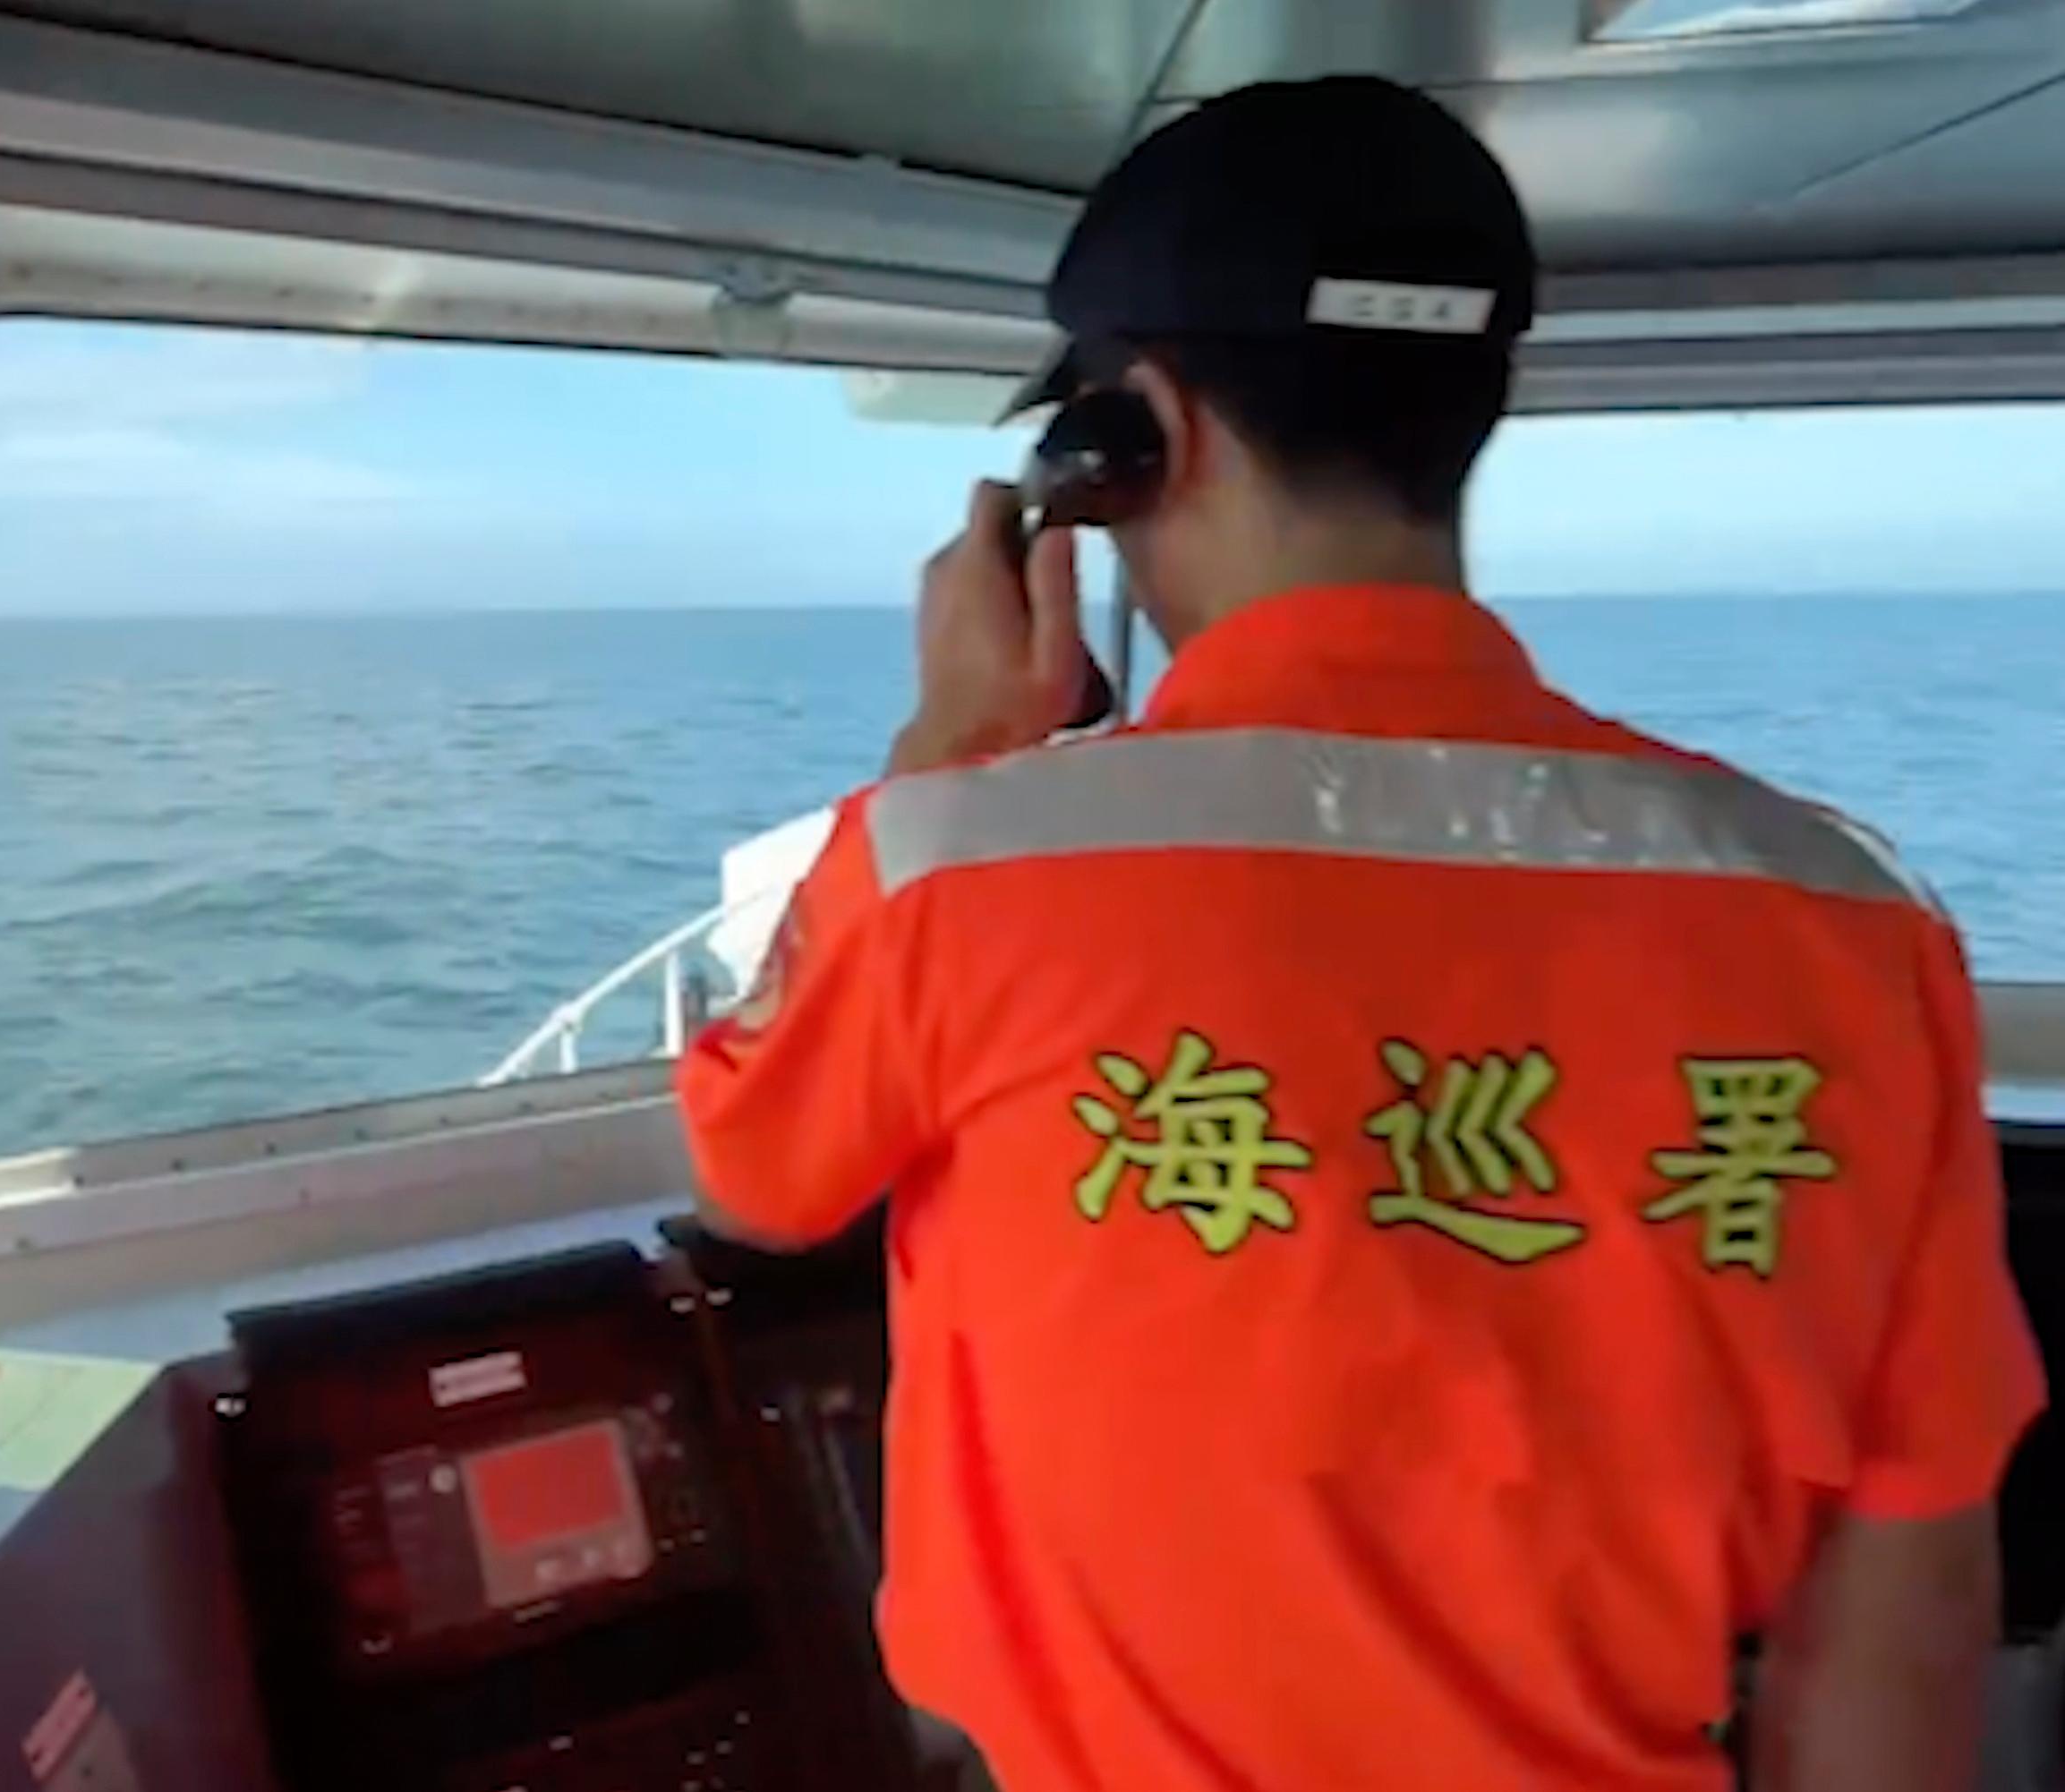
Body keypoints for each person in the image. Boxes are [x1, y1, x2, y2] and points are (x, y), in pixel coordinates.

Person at [672, 75, 2045, 1792]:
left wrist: (946, 744)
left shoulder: (956, 858)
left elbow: (756, 1175)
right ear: (1470, 405)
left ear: (1133, 437)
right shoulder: (1849, 920)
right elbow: (1906, 1573)